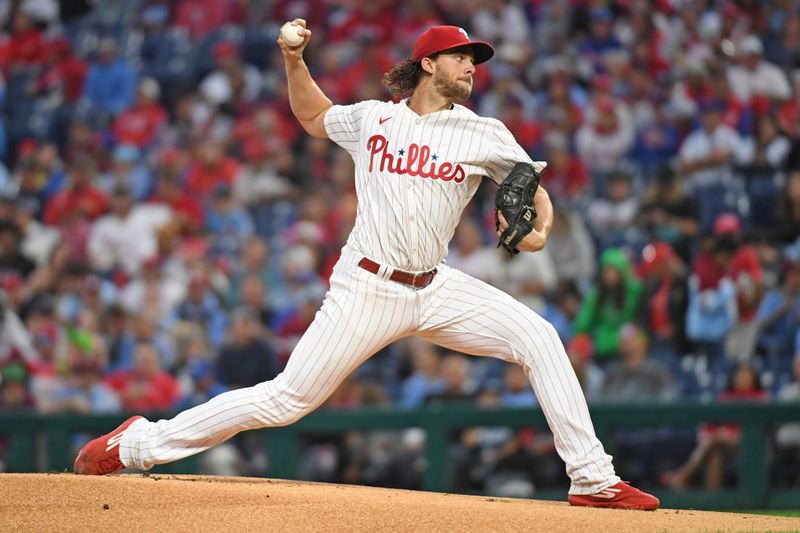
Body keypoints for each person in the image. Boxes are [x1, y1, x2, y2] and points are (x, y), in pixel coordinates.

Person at [73, 22, 658, 510]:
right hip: (367, 287)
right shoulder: (375, 119)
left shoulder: (483, 132)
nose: (471, 67)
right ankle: (138, 445)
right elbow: (312, 116)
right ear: (428, 64)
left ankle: (592, 477)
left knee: (539, 336)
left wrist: (542, 228)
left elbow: (530, 183)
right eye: (461, 57)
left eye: (474, 60)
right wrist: (293, 58)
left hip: (436, 285)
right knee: (285, 401)